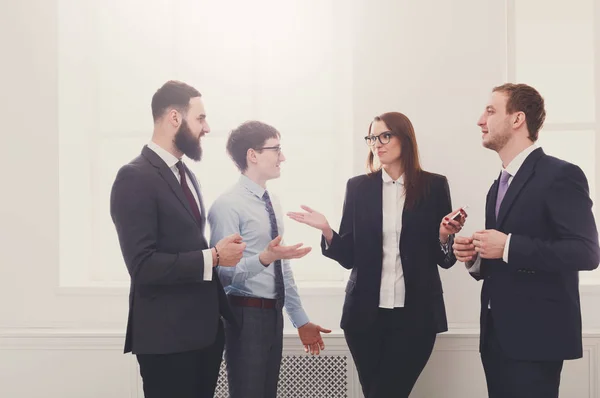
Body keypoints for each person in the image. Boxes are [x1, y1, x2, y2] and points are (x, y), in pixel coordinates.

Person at [287, 112, 465, 398]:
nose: (376, 144)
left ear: (405, 140)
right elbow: (348, 256)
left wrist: (445, 235)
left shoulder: (433, 186)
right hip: (364, 317)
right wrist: (327, 230)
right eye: (372, 137)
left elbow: (444, 259)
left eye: (385, 136)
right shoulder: (358, 188)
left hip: (416, 316)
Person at [453, 83, 600, 398]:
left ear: (517, 119)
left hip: (538, 339)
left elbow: (586, 253)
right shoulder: (497, 186)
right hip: (495, 336)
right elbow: (500, 260)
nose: (481, 120)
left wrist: (507, 246)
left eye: (491, 111)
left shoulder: (562, 175)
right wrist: (475, 257)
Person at [110, 80, 245, 398]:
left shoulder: (187, 175)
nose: (207, 127)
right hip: (167, 342)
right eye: (200, 118)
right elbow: (143, 266)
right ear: (174, 117)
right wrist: (213, 256)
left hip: (203, 337)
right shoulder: (134, 177)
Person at [208, 120, 331, 398]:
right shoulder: (227, 205)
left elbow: (281, 266)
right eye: (276, 149)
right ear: (253, 155)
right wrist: (264, 258)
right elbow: (223, 274)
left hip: (272, 315)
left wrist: (299, 319)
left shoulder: (272, 200)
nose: (282, 157)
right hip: (243, 315)